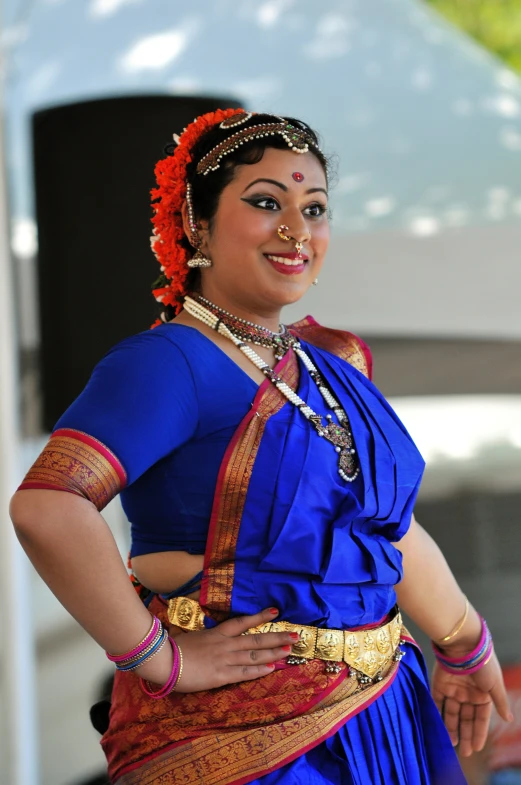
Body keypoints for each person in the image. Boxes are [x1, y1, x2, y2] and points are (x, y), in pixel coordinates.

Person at [10, 108, 512, 785]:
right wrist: (157, 656)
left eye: (314, 208)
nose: (295, 230)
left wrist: (461, 640)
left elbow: (385, 532)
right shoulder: (172, 363)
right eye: (265, 202)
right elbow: (48, 505)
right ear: (195, 224)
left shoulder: (335, 361)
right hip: (242, 737)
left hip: (381, 709)